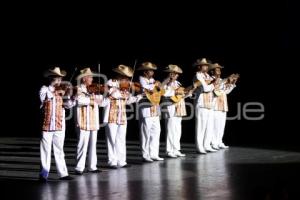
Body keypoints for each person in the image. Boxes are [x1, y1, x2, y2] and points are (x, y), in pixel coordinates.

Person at [39, 67, 75, 181]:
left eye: (60, 79)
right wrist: (55, 90)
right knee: (45, 150)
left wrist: (72, 96)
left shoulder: (62, 90)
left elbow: (68, 105)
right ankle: (44, 174)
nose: (60, 81)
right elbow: (43, 98)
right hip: (47, 124)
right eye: (58, 78)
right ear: (52, 78)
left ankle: (63, 174)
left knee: (59, 149)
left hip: (60, 124)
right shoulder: (44, 89)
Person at [103, 64, 142, 168]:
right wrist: (123, 91)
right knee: (111, 139)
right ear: (119, 74)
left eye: (127, 77)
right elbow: (113, 95)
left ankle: (122, 161)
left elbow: (127, 101)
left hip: (122, 116)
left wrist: (137, 97)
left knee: (121, 139)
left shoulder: (125, 86)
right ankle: (112, 161)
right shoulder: (110, 83)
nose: (126, 78)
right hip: (111, 115)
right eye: (124, 76)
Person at [74, 67, 108, 175]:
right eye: (90, 77)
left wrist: (108, 96)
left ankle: (92, 166)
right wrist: (93, 99)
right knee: (82, 144)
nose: (92, 79)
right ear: (84, 78)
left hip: (93, 121)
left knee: (93, 144)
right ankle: (79, 168)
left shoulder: (94, 90)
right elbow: (80, 100)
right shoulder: (78, 88)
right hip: (83, 120)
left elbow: (102, 103)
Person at [138, 62, 164, 162]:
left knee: (156, 132)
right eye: (150, 70)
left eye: (153, 70)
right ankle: (145, 154)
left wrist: (159, 85)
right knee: (145, 133)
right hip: (146, 109)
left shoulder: (153, 80)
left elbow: (160, 91)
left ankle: (154, 154)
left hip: (155, 109)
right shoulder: (141, 79)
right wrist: (156, 85)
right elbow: (148, 89)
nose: (152, 72)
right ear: (145, 72)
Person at [162, 64, 188, 158]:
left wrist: (188, 93)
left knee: (177, 129)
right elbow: (164, 93)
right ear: (170, 74)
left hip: (179, 106)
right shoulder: (165, 83)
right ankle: (169, 150)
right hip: (170, 106)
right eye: (175, 74)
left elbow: (181, 95)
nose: (177, 75)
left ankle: (176, 149)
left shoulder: (178, 83)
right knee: (170, 129)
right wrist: (176, 92)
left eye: (177, 74)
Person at [209, 63, 237, 149]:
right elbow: (215, 88)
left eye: (219, 69)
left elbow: (226, 91)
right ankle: (213, 142)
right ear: (212, 71)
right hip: (215, 105)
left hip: (223, 104)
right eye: (217, 69)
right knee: (215, 125)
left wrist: (232, 84)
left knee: (221, 125)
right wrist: (226, 80)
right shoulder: (211, 80)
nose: (219, 71)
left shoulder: (221, 79)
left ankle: (219, 141)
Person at [193, 58, 217, 154]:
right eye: (204, 65)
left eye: (207, 65)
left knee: (209, 126)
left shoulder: (208, 76)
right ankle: (199, 146)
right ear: (199, 66)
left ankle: (207, 145)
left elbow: (215, 86)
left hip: (210, 103)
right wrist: (213, 85)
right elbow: (205, 88)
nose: (206, 67)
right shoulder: (197, 76)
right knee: (201, 126)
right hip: (201, 103)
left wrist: (217, 84)